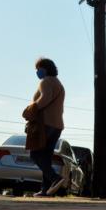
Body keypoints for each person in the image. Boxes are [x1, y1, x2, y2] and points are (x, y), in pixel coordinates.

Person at [28, 57, 65, 197]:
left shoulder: (46, 81)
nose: (37, 72)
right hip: (57, 125)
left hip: (46, 124)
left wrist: (32, 108)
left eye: (38, 69)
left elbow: (45, 98)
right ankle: (46, 189)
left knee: (35, 154)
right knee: (46, 156)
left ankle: (55, 178)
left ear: (45, 69)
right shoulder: (58, 83)